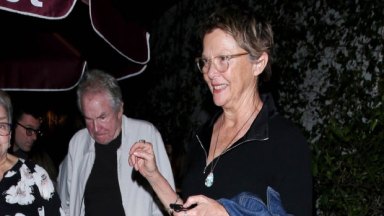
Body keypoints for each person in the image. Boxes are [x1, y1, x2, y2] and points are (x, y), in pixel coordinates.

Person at [129, 4, 312, 216]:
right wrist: (154, 176)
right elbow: (191, 213)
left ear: (258, 63)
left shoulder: (284, 140)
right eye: (205, 61)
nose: (210, 72)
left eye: (223, 59)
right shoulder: (202, 137)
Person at [57, 69, 175, 216]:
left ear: (119, 109)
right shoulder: (78, 142)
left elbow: (167, 198)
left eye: (102, 117)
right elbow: (64, 201)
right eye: (88, 119)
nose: (96, 128)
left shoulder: (146, 134)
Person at [0, 90, 64, 215]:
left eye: (1, 125)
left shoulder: (36, 176)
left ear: (10, 133)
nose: (34, 137)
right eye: (29, 129)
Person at [9, 103, 58, 184]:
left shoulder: (41, 159)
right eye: (29, 129)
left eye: (36, 131)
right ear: (13, 125)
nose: (35, 137)